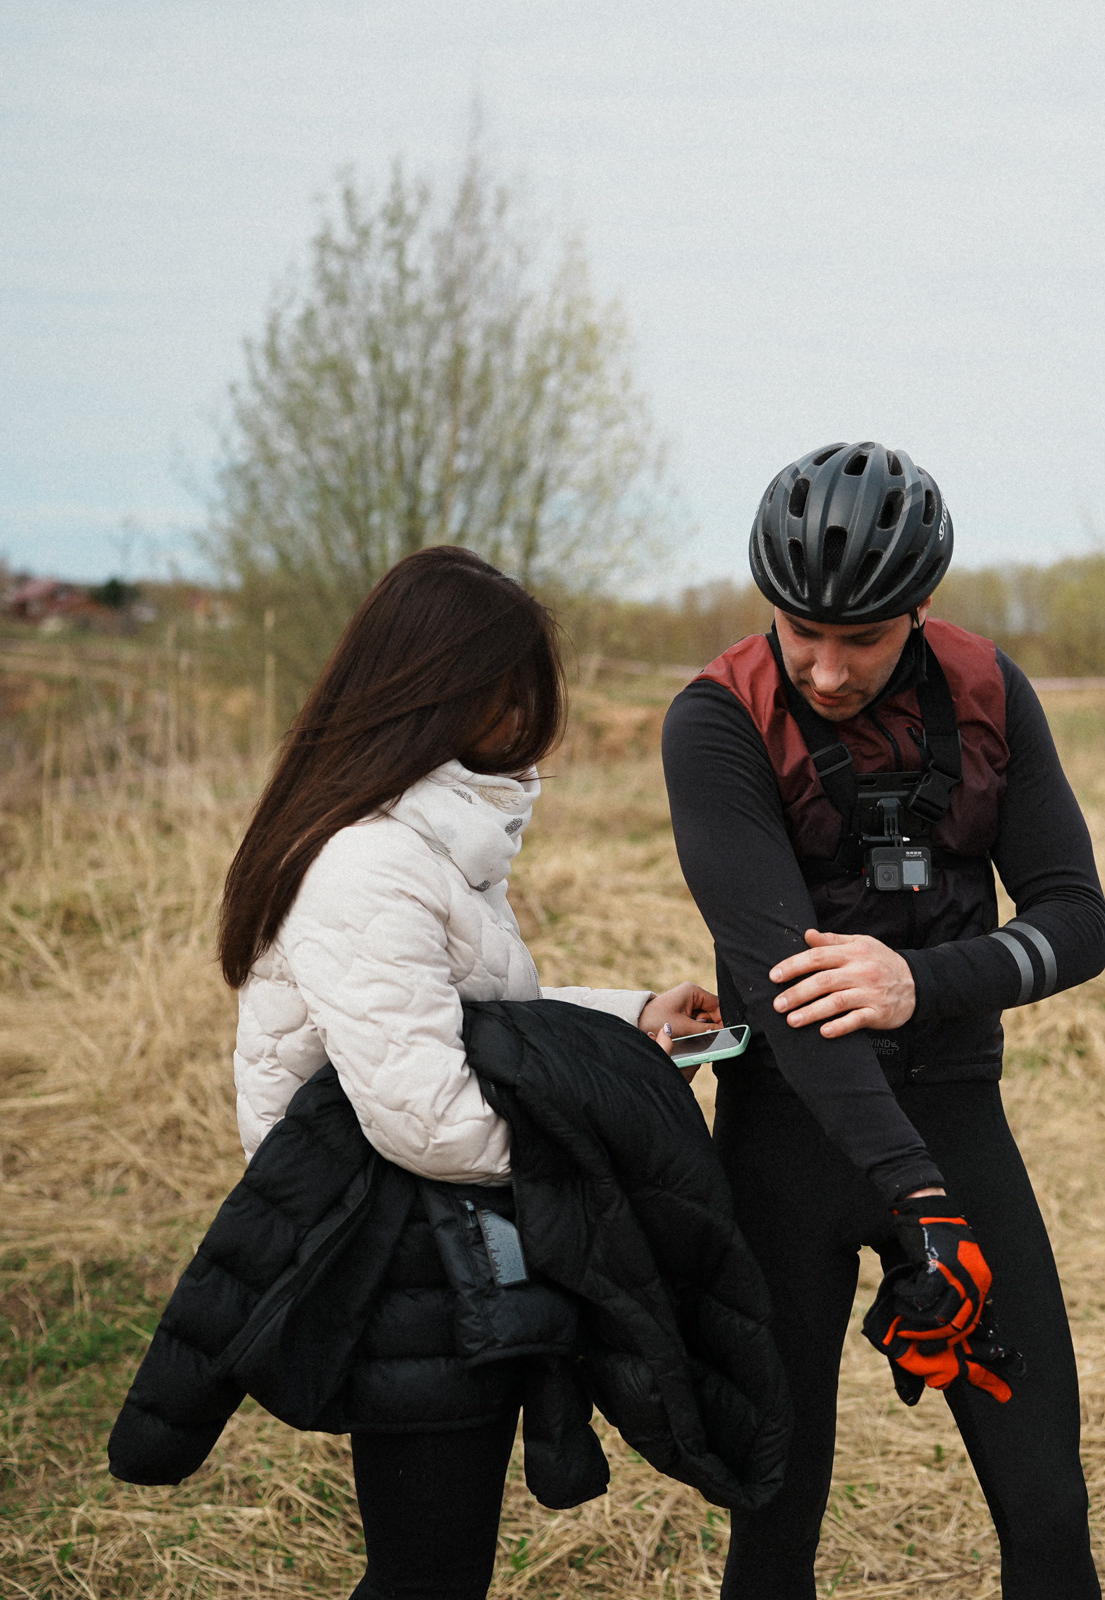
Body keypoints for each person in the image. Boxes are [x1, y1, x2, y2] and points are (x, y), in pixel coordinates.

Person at [213, 546, 720, 1597]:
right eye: (511, 687)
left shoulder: (427, 840)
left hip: (438, 1248)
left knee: (438, 1570)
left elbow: (481, 1019)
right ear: (435, 690)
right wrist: (592, 1143)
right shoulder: (370, 862)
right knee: (425, 1576)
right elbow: (429, 1117)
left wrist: (635, 1023)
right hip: (398, 1257)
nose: (535, 715)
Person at [662, 441, 1105, 1598]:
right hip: (787, 1137)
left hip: (957, 1116)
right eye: (798, 630)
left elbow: (1078, 919)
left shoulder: (989, 689)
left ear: (920, 605)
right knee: (777, 1513)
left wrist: (927, 982)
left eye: (858, 638)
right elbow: (782, 987)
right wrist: (921, 1205)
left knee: (1047, 1505)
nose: (820, 667)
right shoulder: (716, 718)